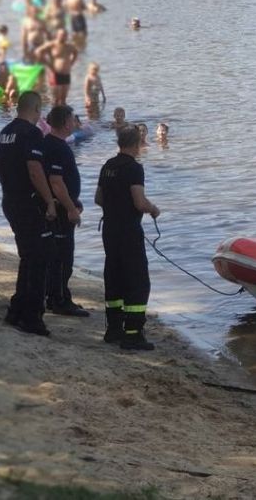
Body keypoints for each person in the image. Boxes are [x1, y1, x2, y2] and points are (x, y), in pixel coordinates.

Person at [0, 91, 57, 337]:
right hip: (29, 203)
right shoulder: (31, 133)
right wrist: (49, 201)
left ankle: (17, 308)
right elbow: (34, 170)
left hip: (10, 200)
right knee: (39, 257)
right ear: (37, 109)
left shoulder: (5, 133)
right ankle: (32, 316)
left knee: (28, 255)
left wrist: (9, 188)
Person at [95, 125, 160, 350]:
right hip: (128, 231)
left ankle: (113, 329)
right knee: (137, 281)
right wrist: (153, 209)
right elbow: (139, 202)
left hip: (110, 230)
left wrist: (115, 205)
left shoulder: (108, 166)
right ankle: (132, 334)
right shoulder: (134, 168)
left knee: (114, 277)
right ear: (136, 143)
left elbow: (98, 199)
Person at [41, 105, 89, 318]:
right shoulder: (57, 147)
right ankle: (59, 299)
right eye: (71, 119)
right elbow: (56, 182)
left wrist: (74, 201)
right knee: (62, 257)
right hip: (61, 211)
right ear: (64, 123)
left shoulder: (53, 144)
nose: (74, 122)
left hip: (63, 205)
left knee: (58, 256)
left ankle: (55, 297)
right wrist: (70, 208)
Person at [38, 29, 78, 106]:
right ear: (57, 35)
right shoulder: (52, 45)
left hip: (66, 73)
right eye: (61, 35)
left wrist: (72, 63)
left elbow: (76, 52)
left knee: (63, 100)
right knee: (56, 99)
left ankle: (63, 116)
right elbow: (38, 51)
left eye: (65, 35)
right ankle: (54, 116)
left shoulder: (69, 46)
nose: (63, 37)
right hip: (55, 73)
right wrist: (48, 64)